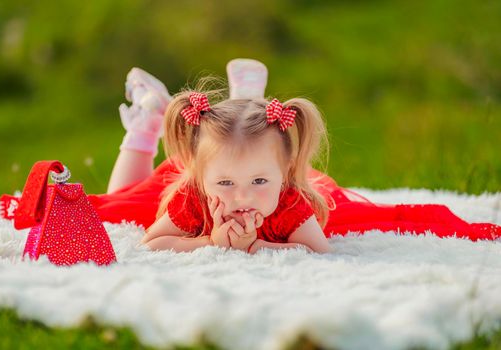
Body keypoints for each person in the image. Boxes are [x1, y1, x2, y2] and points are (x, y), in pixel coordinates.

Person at [88, 59, 501, 254]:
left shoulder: (288, 202)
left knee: (249, 153)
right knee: (122, 204)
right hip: (203, 166)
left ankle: (248, 102)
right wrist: (207, 241)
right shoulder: (194, 193)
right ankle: (146, 125)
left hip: (240, 155)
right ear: (198, 175)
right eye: (227, 187)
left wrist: (255, 247)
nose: (242, 198)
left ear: (286, 173)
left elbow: (318, 251)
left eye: (259, 184)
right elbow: (151, 242)